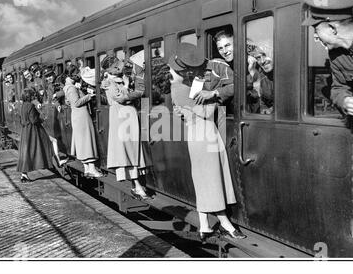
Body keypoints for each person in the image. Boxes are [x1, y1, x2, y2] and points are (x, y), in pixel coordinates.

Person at [153, 43, 246, 242]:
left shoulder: (180, 87)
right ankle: (225, 223)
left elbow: (188, 112)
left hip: (199, 135)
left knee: (204, 180)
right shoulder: (182, 88)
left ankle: (204, 226)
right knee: (211, 179)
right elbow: (207, 112)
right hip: (204, 137)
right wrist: (211, 94)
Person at [302, 0, 353, 128]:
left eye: (316, 30)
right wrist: (345, 101)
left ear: (332, 29)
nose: (316, 36)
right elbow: (338, 87)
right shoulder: (335, 54)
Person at [100, 56, 149, 200]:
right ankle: (136, 184)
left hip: (128, 116)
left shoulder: (118, 79)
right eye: (118, 66)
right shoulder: (108, 83)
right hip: (122, 118)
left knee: (132, 150)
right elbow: (121, 98)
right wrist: (127, 86)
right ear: (113, 69)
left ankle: (137, 184)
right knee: (127, 150)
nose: (121, 68)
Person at [63, 65, 103, 178]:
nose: (79, 76)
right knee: (87, 141)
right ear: (72, 75)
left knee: (83, 142)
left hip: (78, 116)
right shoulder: (71, 88)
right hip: (81, 115)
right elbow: (76, 103)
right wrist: (89, 96)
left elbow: (68, 102)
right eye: (77, 73)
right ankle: (91, 168)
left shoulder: (69, 87)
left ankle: (87, 169)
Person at [16, 88, 55, 183]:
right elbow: (34, 120)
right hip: (32, 131)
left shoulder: (23, 105)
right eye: (33, 95)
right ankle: (56, 161)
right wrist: (42, 119)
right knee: (43, 145)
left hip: (25, 131)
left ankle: (24, 174)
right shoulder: (30, 106)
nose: (34, 97)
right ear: (29, 96)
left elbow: (22, 120)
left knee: (27, 152)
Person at [194, 29, 234, 105]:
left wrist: (213, 93)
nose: (225, 51)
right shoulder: (203, 70)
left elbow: (236, 86)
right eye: (220, 48)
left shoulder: (219, 65)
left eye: (227, 45)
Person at [246, 46, 274, 114]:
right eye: (258, 58)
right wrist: (252, 70)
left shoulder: (289, 73)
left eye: (265, 55)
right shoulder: (262, 76)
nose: (262, 61)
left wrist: (273, 109)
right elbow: (260, 97)